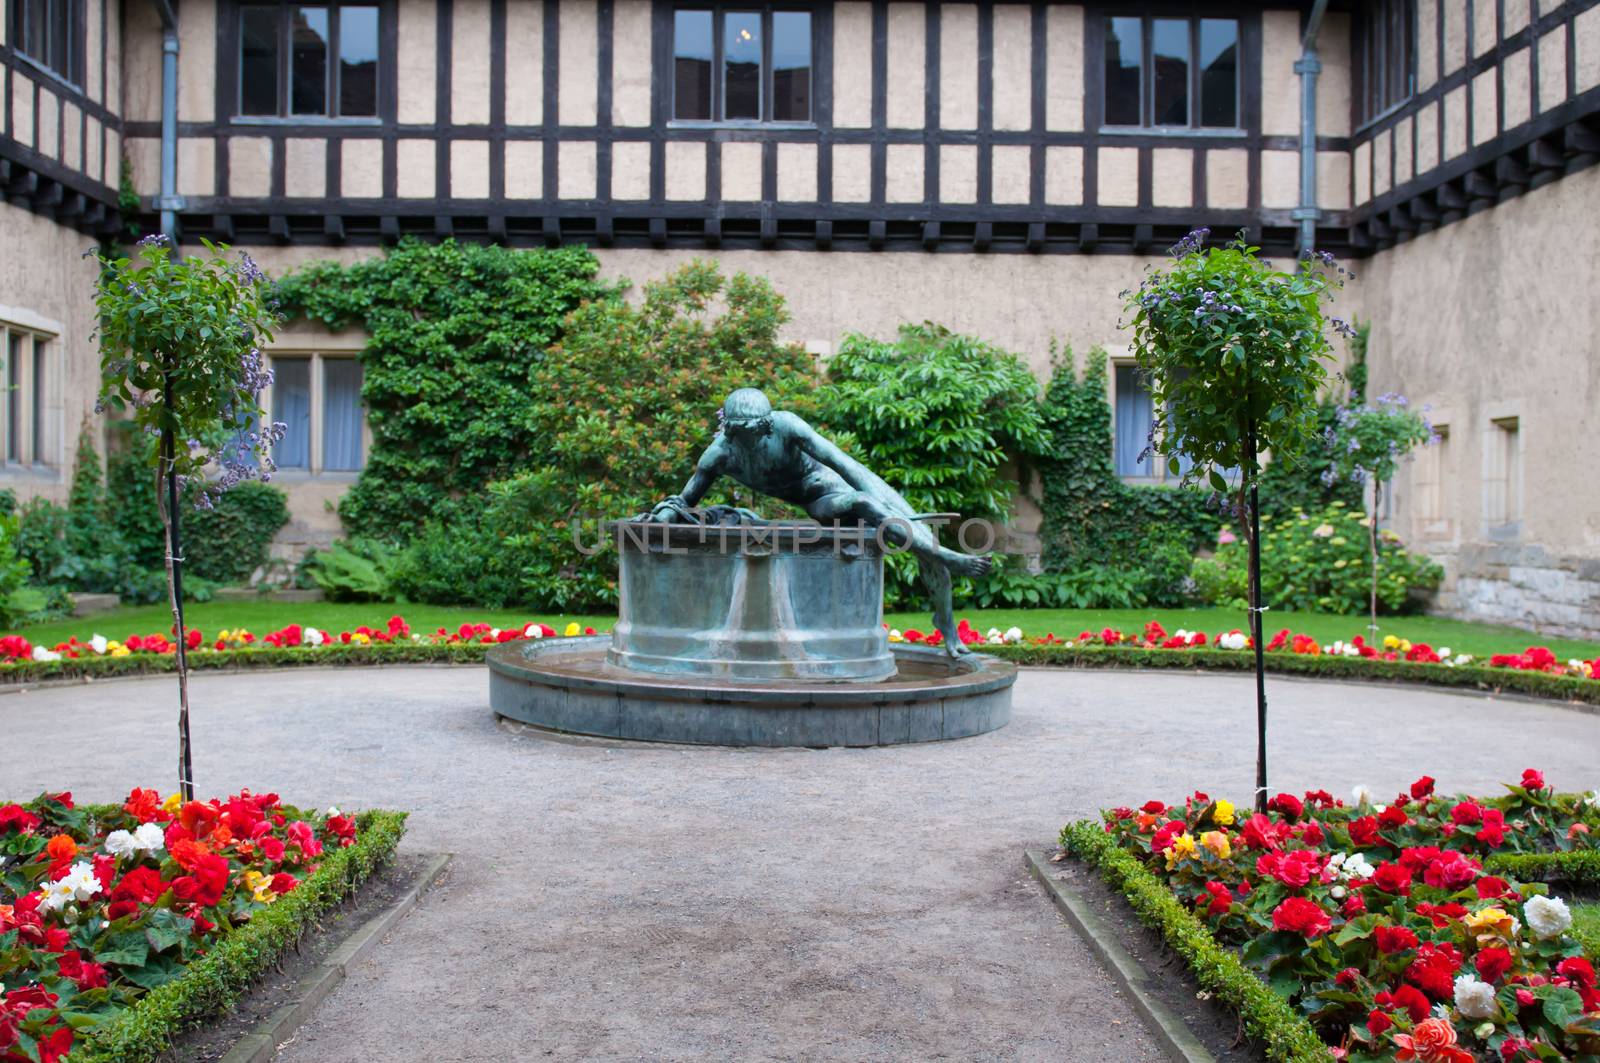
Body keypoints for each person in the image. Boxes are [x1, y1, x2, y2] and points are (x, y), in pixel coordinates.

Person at [648, 388, 991, 656]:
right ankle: (945, 556)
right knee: (867, 506)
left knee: (887, 513)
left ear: (767, 425)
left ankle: (946, 622)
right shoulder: (719, 455)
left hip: (833, 487)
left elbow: (845, 464)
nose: (752, 446)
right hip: (820, 504)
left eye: (757, 436)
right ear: (730, 432)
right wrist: (661, 516)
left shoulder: (788, 426)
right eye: (742, 438)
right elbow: (685, 500)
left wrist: (889, 503)